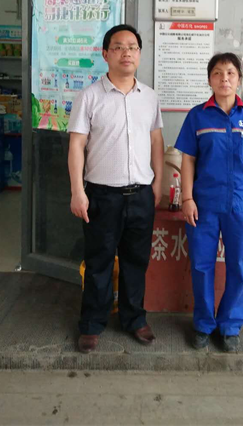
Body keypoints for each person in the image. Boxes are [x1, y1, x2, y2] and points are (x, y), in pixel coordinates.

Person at [67, 24, 164, 353]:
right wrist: (77, 191)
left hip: (141, 194)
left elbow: (156, 142)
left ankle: (134, 319)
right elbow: (77, 145)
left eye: (132, 47)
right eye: (119, 47)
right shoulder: (89, 96)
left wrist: (158, 183)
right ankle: (92, 323)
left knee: (137, 261)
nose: (126, 53)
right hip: (101, 195)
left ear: (139, 54)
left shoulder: (149, 97)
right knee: (99, 262)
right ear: (105, 54)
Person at [175, 53, 243, 352]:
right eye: (217, 73)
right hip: (204, 204)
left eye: (230, 73)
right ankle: (204, 324)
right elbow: (188, 160)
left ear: (239, 79)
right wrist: (187, 197)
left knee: (238, 266)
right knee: (202, 265)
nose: (224, 78)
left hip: (242, 205)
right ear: (210, 79)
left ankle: (230, 325)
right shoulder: (197, 117)